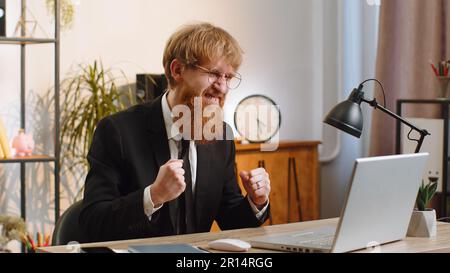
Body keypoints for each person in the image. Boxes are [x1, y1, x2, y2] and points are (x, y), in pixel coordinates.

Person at [79, 22, 271, 243]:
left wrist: (255, 202)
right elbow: (93, 224)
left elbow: (231, 220)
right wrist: (153, 196)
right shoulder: (117, 131)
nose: (223, 88)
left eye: (228, 77)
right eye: (214, 74)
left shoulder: (221, 136)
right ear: (177, 70)